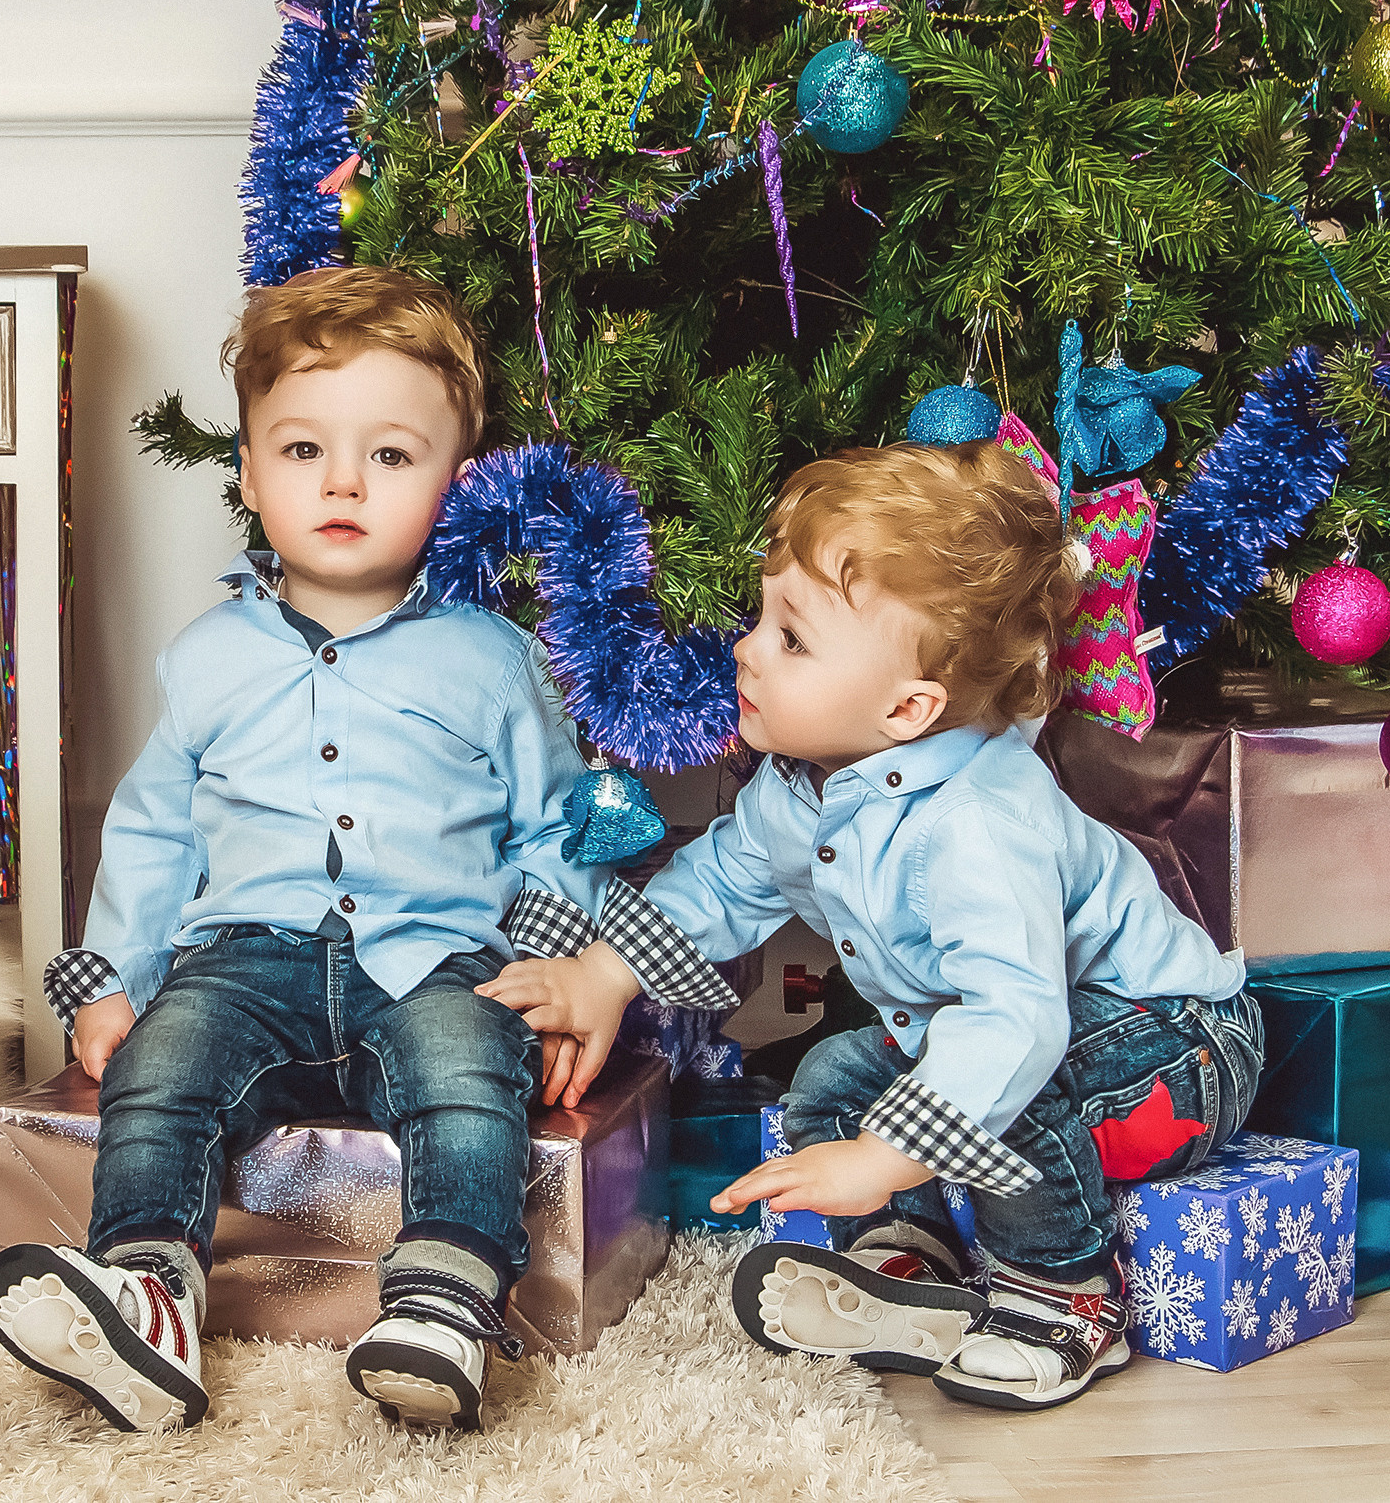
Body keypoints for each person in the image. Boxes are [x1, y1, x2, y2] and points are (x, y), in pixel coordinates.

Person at [479, 441, 1262, 1410]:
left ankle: (1065, 1298)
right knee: (837, 1074)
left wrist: (890, 1151)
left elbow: (1016, 1026)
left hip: (1169, 1043)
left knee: (1007, 1095)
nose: (745, 647)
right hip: (1006, 1029)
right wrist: (606, 973)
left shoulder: (979, 825)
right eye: (761, 618)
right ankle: (906, 1260)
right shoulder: (802, 791)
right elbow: (722, 884)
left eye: (790, 639)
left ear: (908, 708)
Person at [0, 266, 613, 1434]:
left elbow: (555, 825)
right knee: (163, 1073)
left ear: (451, 485)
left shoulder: (491, 659)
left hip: (435, 954)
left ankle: (444, 1297)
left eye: (388, 456)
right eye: (304, 449)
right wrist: (113, 982)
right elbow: (155, 830)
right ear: (249, 476)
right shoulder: (207, 656)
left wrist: (557, 978)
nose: (341, 483)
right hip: (244, 953)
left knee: (465, 1079)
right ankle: (144, 1289)